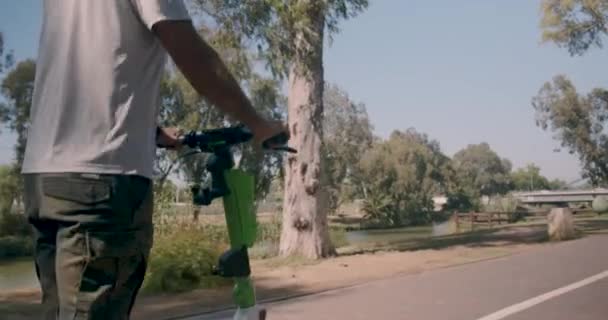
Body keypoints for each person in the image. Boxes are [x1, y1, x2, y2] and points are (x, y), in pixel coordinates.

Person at [21, 1, 286, 319]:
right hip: (101, 183)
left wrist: (152, 130)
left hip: (44, 177)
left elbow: (91, 67)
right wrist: (258, 123)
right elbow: (196, 59)